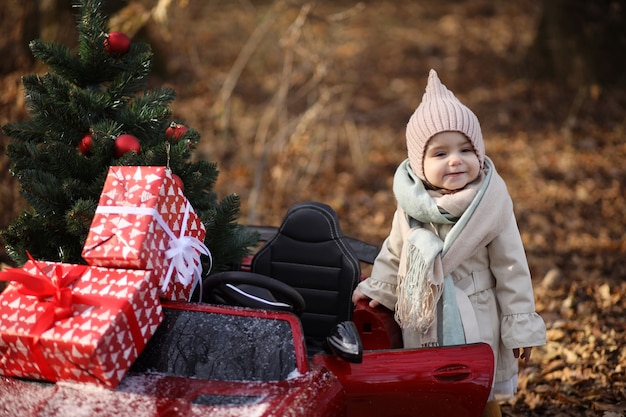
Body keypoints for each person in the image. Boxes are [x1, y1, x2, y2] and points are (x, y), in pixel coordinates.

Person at [352, 69, 546, 417]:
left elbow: (512, 267)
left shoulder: (492, 204)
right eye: (440, 154)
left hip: (479, 315)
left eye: (465, 149)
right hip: (426, 315)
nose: (455, 160)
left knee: (480, 394)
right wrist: (378, 289)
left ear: (479, 152)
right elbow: (396, 251)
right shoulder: (412, 205)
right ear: (419, 164)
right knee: (431, 393)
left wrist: (520, 325)